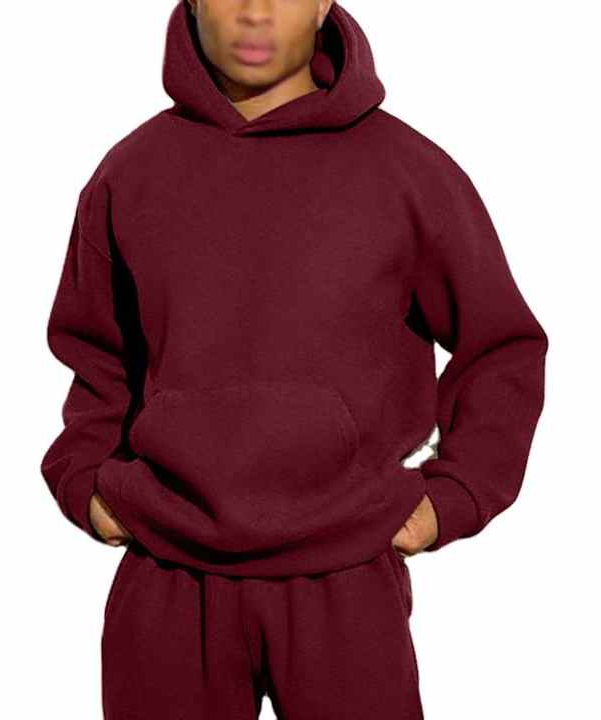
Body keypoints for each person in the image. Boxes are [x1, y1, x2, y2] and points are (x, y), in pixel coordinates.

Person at [40, 1, 548, 717]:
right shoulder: (131, 173)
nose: (255, 13)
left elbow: (502, 349)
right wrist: (85, 480)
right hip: (168, 565)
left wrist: (456, 495)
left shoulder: (408, 173)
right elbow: (97, 353)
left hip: (345, 567)